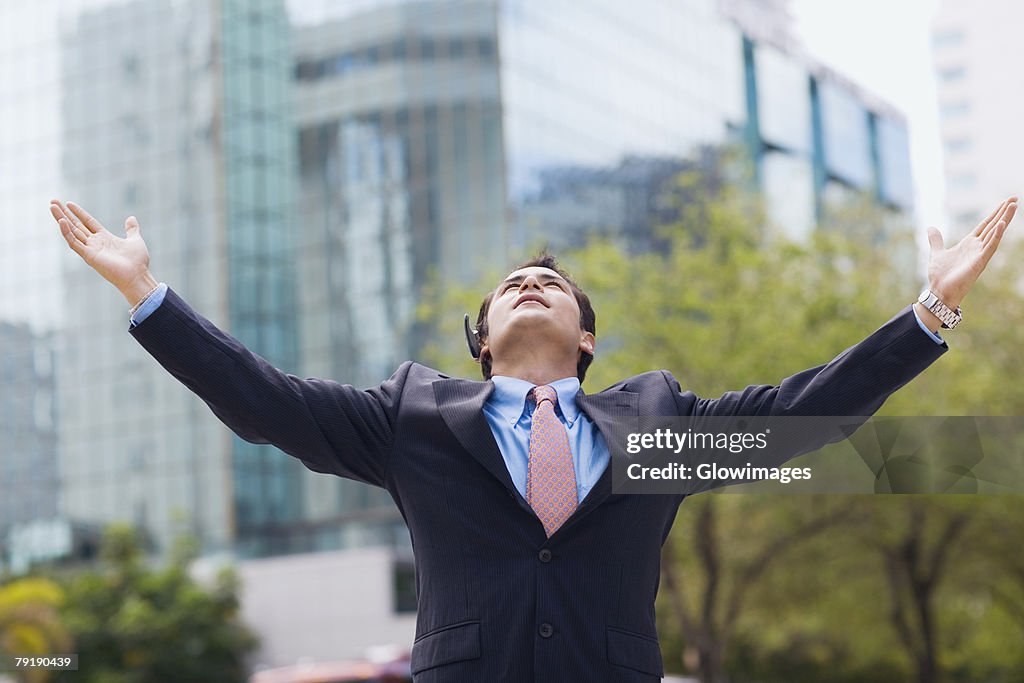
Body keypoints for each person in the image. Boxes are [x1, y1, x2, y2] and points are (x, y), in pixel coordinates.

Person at [49, 196, 1017, 683]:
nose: (530, 286)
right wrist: (148, 296)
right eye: (509, 285)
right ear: (478, 339)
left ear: (587, 336)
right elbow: (263, 398)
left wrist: (930, 310)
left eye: (551, 285)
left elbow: (808, 416)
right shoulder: (409, 421)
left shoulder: (655, 425)